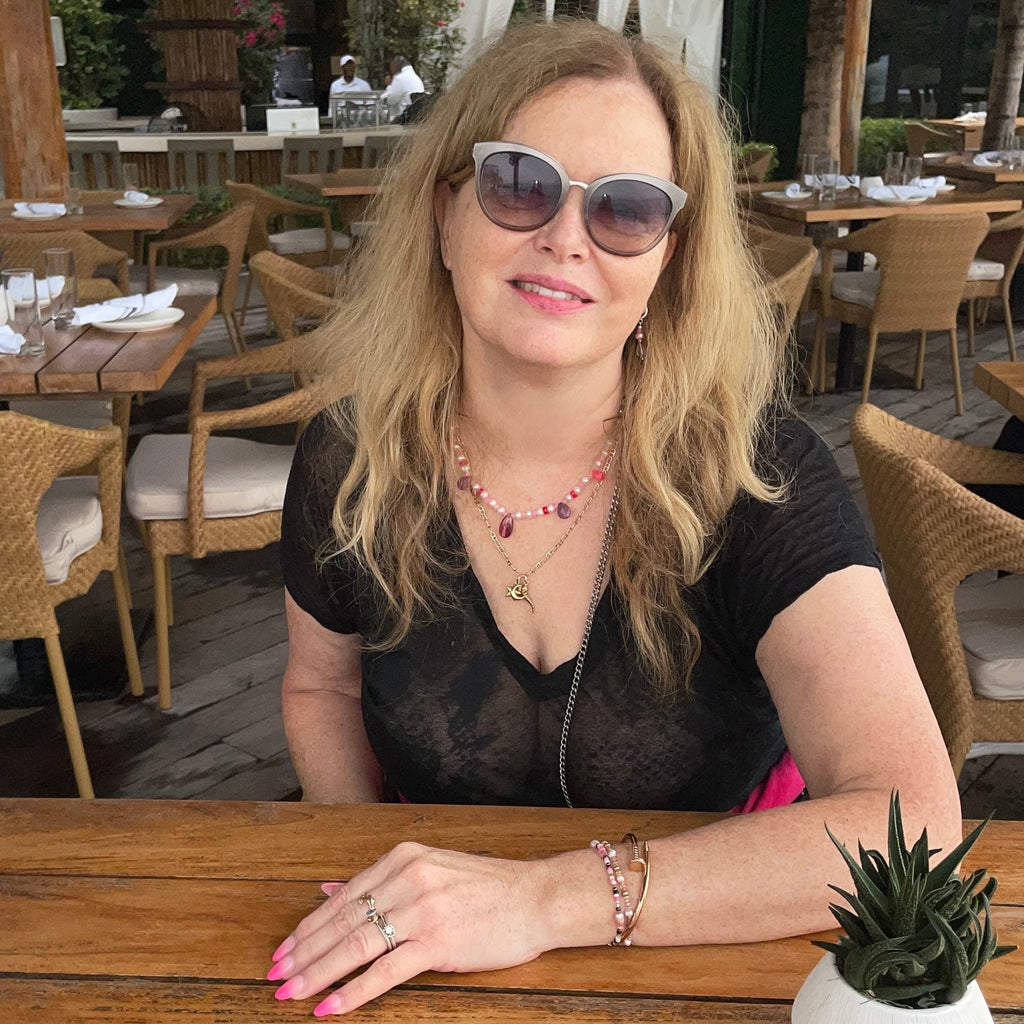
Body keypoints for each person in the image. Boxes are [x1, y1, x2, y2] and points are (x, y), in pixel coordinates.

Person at [271, 19, 961, 1018]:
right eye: (519, 183)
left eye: (626, 208)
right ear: (444, 214)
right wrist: (369, 878)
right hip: (425, 972)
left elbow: (914, 825)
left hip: (712, 960)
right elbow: (320, 687)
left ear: (669, 259)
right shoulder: (349, 460)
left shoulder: (757, 477)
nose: (565, 237)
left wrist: (540, 901)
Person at [381, 54, 425, 120]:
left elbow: (391, 100)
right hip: (415, 114)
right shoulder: (415, 77)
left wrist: (388, 87)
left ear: (395, 65)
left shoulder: (400, 78)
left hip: (404, 116)